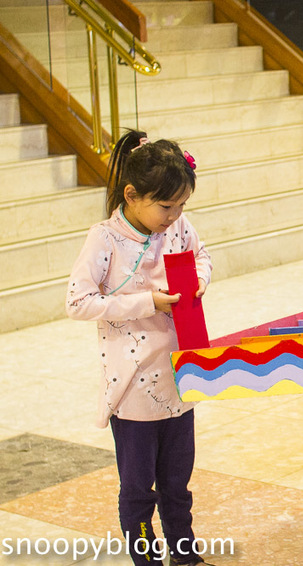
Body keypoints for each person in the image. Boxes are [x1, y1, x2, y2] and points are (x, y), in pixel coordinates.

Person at [66, 130, 213, 566]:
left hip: (180, 377)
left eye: (182, 205)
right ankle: (145, 559)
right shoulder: (104, 239)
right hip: (132, 392)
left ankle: (185, 555)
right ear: (131, 195)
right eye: (167, 206)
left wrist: (200, 279)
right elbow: (78, 302)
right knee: (137, 488)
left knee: (176, 482)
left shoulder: (178, 227)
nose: (176, 216)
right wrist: (146, 301)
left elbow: (202, 255)